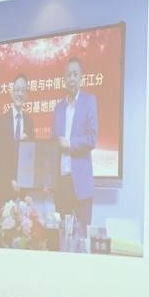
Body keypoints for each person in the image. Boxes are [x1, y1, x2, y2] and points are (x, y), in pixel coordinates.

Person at [53, 57, 99, 233]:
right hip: (61, 183)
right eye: (68, 75)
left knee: (82, 236)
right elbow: (53, 144)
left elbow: (92, 138)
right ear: (64, 79)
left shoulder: (89, 101)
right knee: (61, 236)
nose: (71, 78)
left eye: (75, 74)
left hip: (81, 183)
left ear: (81, 78)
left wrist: (70, 143)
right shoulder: (58, 108)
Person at [0, 74, 35, 206]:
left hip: (22, 191)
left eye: (22, 90)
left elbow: (32, 157)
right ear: (12, 93)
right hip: (4, 187)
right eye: (17, 90)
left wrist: (27, 144)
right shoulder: (3, 120)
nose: (19, 94)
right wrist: (11, 180)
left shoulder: (29, 123)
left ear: (27, 94)